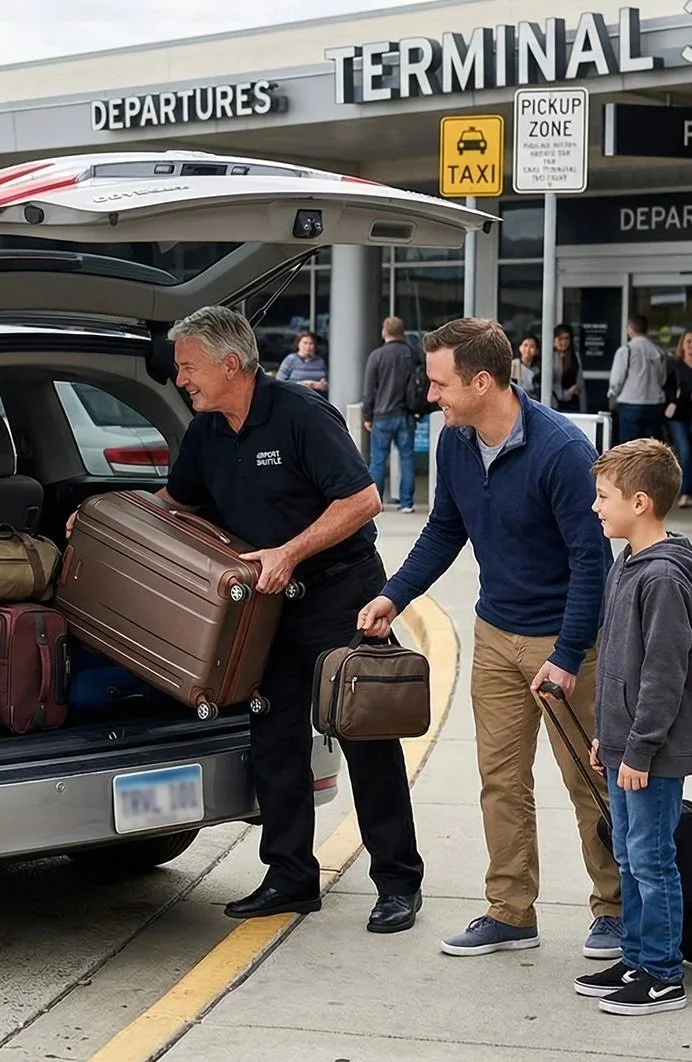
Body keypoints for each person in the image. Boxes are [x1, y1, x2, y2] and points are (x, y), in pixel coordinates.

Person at [149, 305, 424, 931]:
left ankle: (398, 881)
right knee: (273, 739)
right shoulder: (206, 432)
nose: (180, 379)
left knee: (366, 735)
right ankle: (291, 876)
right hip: (266, 609)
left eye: (188, 367)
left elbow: (362, 500)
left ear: (229, 364)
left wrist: (290, 551)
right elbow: (176, 504)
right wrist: (110, 519)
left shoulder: (300, 414)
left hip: (339, 593)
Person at [357, 317, 622, 959]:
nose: (431, 395)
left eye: (440, 383)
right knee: (500, 779)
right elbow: (445, 529)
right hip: (496, 633)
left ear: (483, 381)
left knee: (590, 783)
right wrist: (395, 594)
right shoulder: (455, 442)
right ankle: (510, 910)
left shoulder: (561, 451)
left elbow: (593, 561)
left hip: (569, 643)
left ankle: (616, 909)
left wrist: (564, 656)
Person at [573, 438, 692, 1015]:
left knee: (651, 857)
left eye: (603, 497)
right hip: (624, 744)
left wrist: (640, 750)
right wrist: (607, 736)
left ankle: (664, 972)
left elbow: (664, 676)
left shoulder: (664, 578)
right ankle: (638, 956)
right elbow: (619, 661)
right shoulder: (627, 563)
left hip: (653, 753)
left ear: (640, 502)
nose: (595, 507)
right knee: (626, 851)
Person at [362, 316, 418, 514]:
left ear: (384, 332)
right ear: (402, 332)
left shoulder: (376, 356)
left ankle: (377, 502)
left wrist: (367, 415)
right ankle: (407, 503)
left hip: (382, 415)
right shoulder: (410, 354)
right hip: (405, 414)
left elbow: (370, 390)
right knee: (407, 459)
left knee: (377, 460)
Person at [609, 316, 666, 445]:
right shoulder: (658, 351)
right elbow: (662, 379)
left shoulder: (626, 350)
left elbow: (616, 381)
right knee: (652, 449)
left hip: (630, 404)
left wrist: (612, 395)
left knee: (630, 448)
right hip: (654, 405)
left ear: (630, 329)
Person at [663, 331, 692, 509]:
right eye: (688, 342)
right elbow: (667, 388)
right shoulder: (674, 365)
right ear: (682, 344)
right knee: (685, 450)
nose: (691, 346)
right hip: (676, 416)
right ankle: (684, 492)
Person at [553, 324, 586, 413]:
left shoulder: (575, 356)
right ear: (554, 340)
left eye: (567, 338)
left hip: (574, 402)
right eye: (560, 339)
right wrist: (565, 394)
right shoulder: (549, 357)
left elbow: (580, 379)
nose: (563, 342)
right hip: (555, 403)